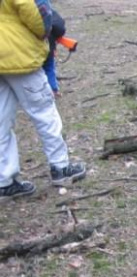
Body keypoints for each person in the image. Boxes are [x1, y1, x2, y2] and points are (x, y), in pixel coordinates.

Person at [0, 0, 86, 200]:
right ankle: (61, 167)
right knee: (44, 113)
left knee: (1, 120)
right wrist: (44, 31)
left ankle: (4, 182)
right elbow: (34, 13)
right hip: (18, 56)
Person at [43, 9, 65, 97]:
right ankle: (53, 89)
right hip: (49, 47)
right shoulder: (47, 9)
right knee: (49, 68)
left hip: (33, 50)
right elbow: (60, 28)